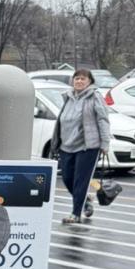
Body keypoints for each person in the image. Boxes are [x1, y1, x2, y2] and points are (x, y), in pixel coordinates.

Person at [52, 68, 111, 225]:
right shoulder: (68, 97)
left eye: (83, 79)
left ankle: (75, 214)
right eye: (76, 78)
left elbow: (103, 119)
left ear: (89, 82)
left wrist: (105, 143)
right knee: (67, 178)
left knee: (80, 181)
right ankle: (85, 200)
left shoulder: (94, 97)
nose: (79, 81)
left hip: (88, 146)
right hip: (66, 145)